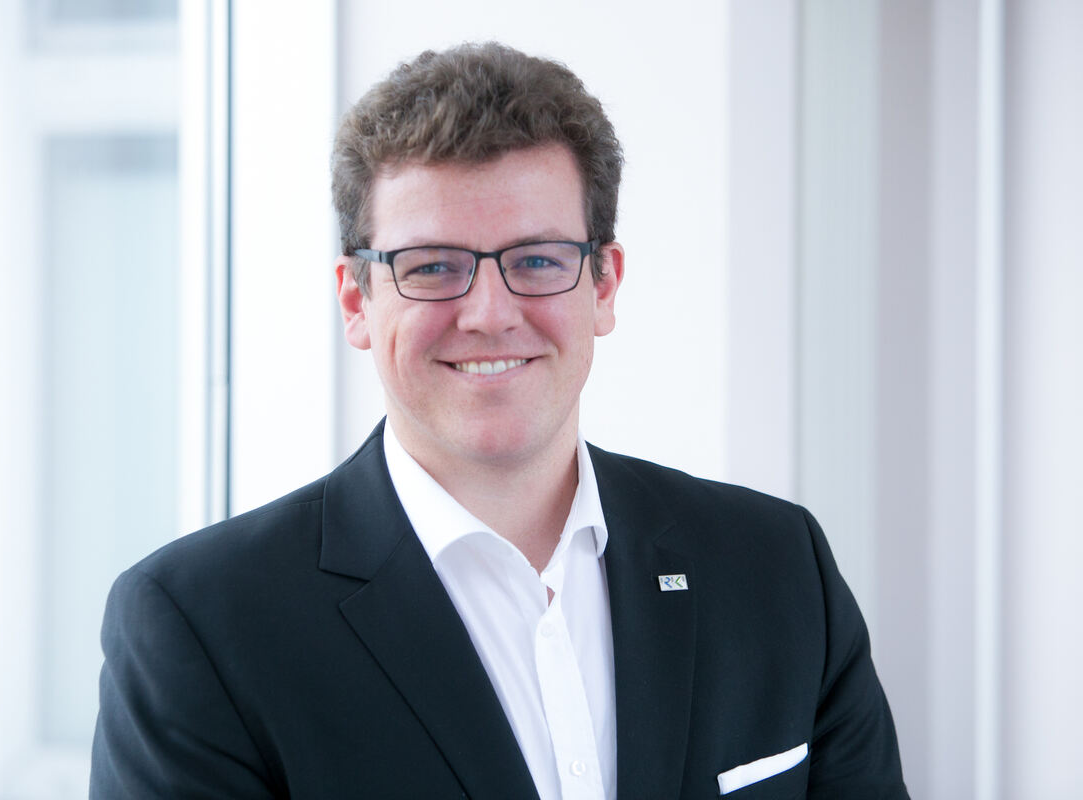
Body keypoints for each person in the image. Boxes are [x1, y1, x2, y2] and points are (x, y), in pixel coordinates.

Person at [90, 42, 908, 799]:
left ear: (604, 286)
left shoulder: (777, 569)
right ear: (356, 301)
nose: (488, 313)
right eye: (432, 267)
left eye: (538, 261)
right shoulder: (201, 627)